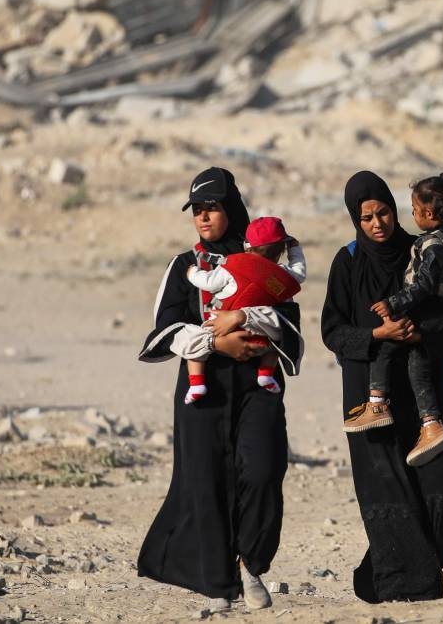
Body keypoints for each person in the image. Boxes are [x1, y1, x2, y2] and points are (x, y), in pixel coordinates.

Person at [136, 167, 303, 612]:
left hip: (257, 385)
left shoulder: (262, 259)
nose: (204, 218)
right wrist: (214, 340)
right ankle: (219, 583)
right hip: (202, 389)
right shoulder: (185, 266)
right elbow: (165, 326)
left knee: (264, 468)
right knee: (205, 479)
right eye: (197, 210)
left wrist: (247, 324)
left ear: (231, 208)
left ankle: (252, 562)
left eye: (212, 207)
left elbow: (290, 316)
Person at [321, 170, 443, 603]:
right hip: (369, 396)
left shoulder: (423, 250)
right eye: (365, 218)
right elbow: (332, 330)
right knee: (388, 491)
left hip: (423, 396)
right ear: (354, 220)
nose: (377, 223)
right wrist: (377, 337)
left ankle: (384, 575)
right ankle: (401, 588)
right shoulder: (347, 261)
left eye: (383, 212)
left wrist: (418, 334)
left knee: (442, 488)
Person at [352, 174, 443, 468]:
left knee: (389, 344)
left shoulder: (431, 246)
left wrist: (392, 304)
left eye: (413, 210)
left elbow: (422, 285)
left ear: (429, 214)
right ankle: (431, 424)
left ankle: (377, 403)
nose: (412, 216)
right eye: (367, 217)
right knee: (417, 365)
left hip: (427, 311)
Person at [184, 216, 306, 403]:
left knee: (195, 342)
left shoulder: (234, 266)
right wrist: (295, 249)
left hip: (221, 331)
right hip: (260, 339)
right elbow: (299, 271)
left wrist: (192, 272)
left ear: (247, 247)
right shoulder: (281, 276)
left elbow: (208, 282)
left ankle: (197, 383)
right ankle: (266, 373)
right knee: (277, 340)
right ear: (281, 249)